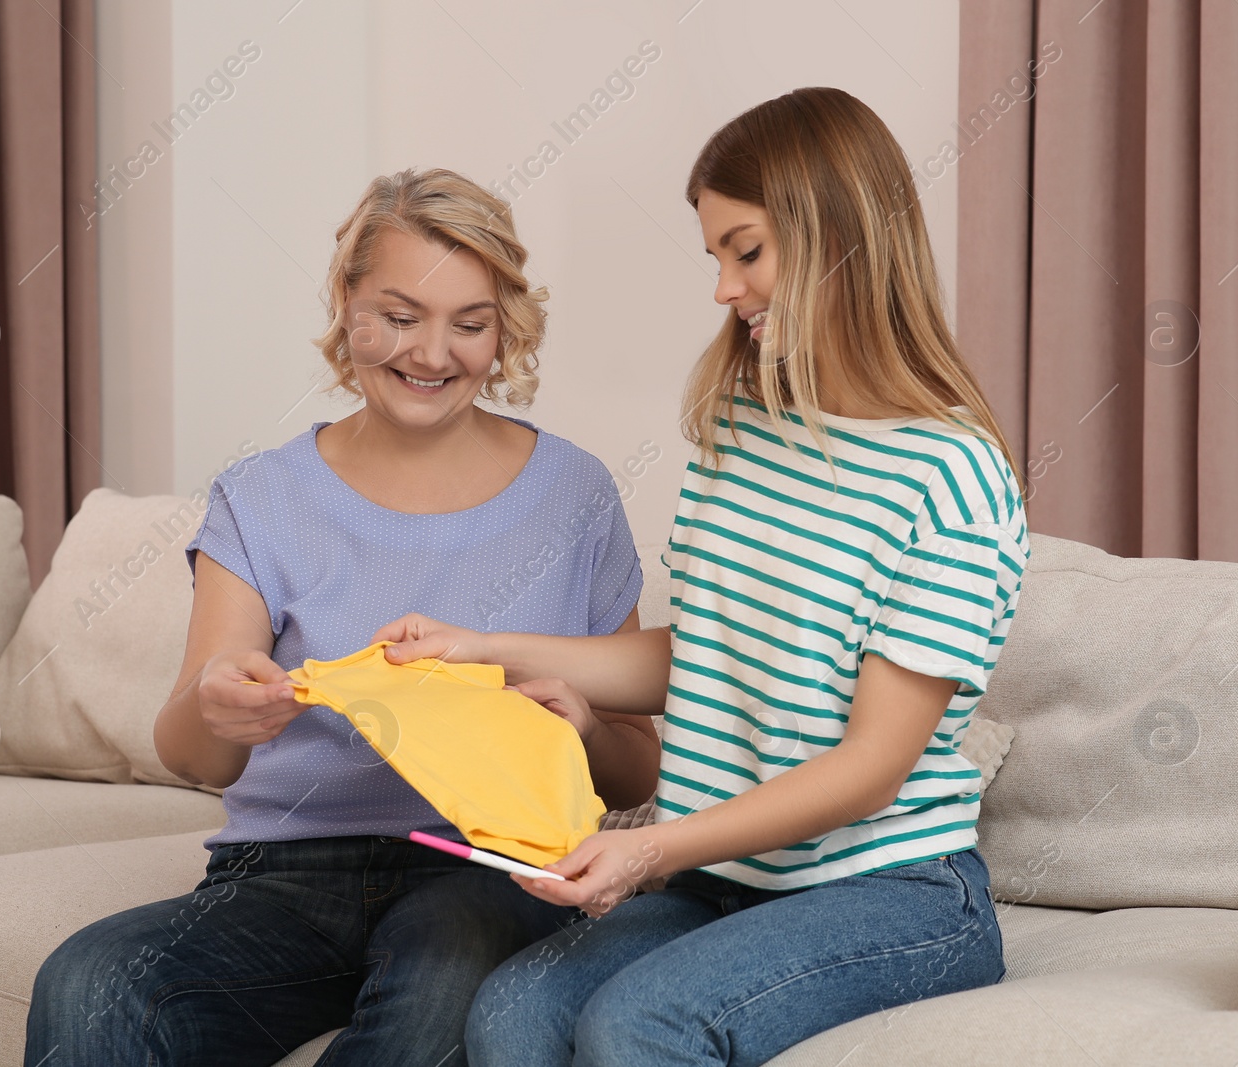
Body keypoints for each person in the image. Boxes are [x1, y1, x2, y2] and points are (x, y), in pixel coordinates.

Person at [375, 88, 1031, 1067]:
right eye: (716, 256)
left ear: (838, 237)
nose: (724, 287)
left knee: (639, 1022)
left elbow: (871, 767)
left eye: (747, 249)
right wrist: (479, 643)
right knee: (511, 1009)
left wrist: (648, 847)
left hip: (897, 891)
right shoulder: (742, 429)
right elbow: (700, 654)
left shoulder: (950, 476)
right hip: (729, 878)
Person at [21, 168, 660, 1067]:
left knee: (448, 985)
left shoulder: (576, 493)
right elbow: (196, 753)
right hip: (285, 874)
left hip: (489, 868)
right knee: (90, 980)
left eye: (470, 324)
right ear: (347, 305)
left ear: (505, 328)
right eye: (399, 316)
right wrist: (221, 705)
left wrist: (587, 728)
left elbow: (635, 772)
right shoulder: (264, 495)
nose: (433, 353)